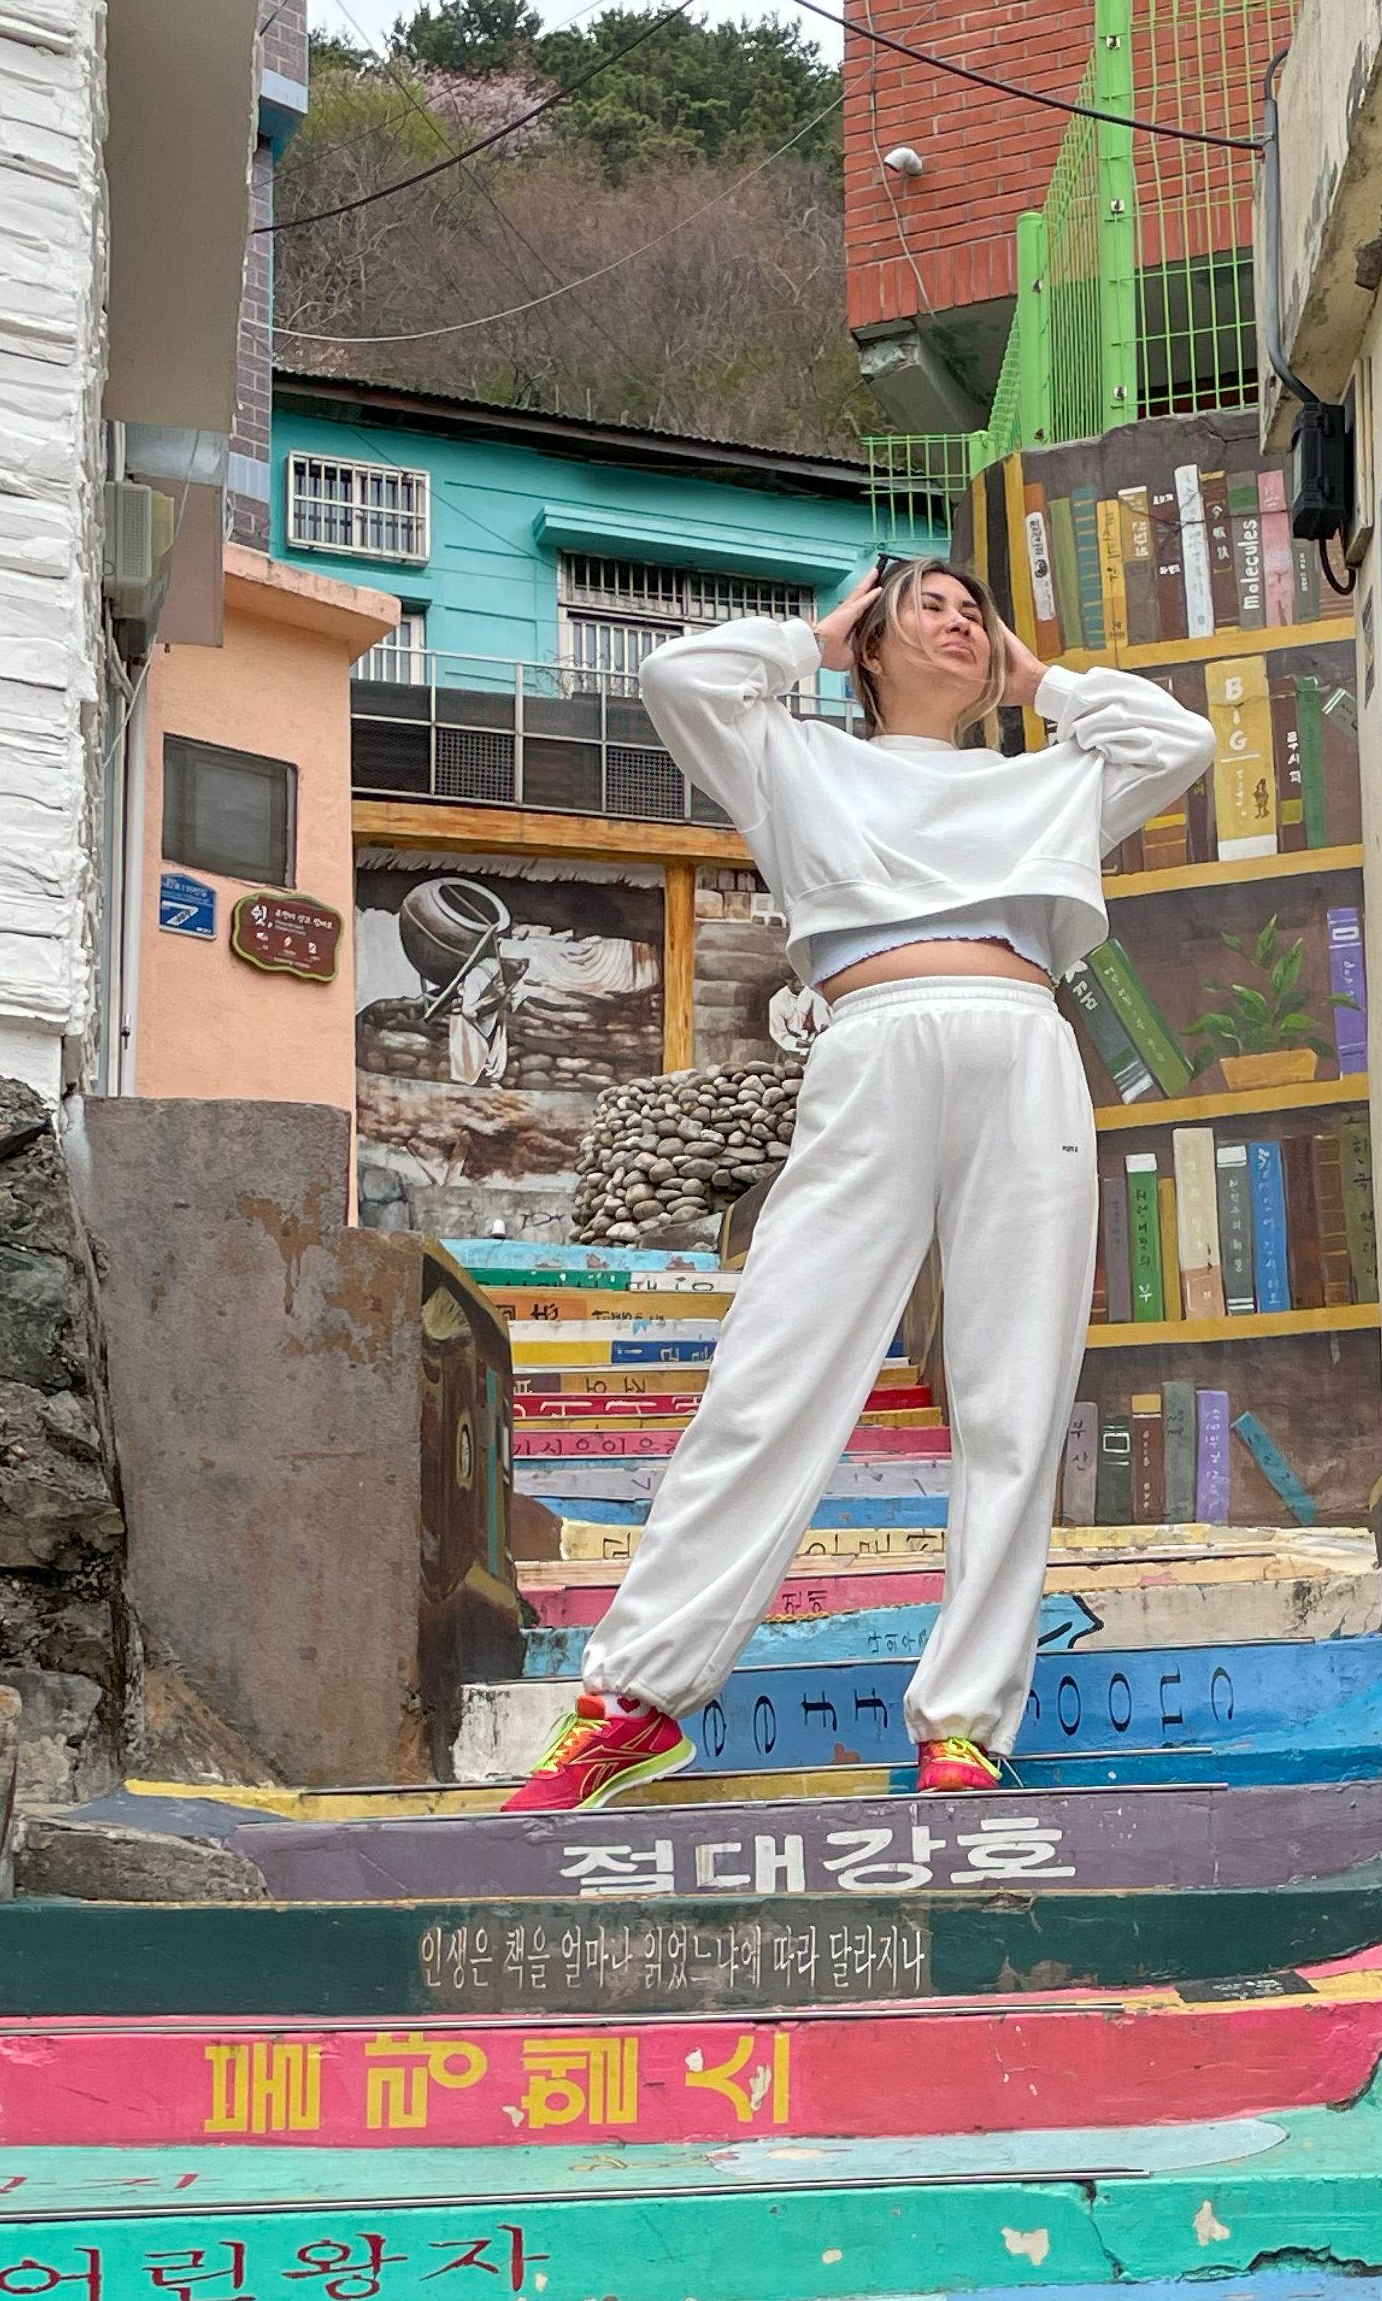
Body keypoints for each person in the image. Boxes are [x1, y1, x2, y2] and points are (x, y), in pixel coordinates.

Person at [505, 554, 1214, 1809]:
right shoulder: (793, 761)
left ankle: (964, 1726)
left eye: (975, 612)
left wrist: (1038, 680)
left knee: (1012, 1400)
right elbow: (678, 677)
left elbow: (1179, 740)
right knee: (773, 1373)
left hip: (1023, 1051)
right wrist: (818, 640)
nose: (959, 621)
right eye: (928, 604)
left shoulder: (1048, 779)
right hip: (872, 1048)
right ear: (872, 642)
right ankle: (635, 1699)